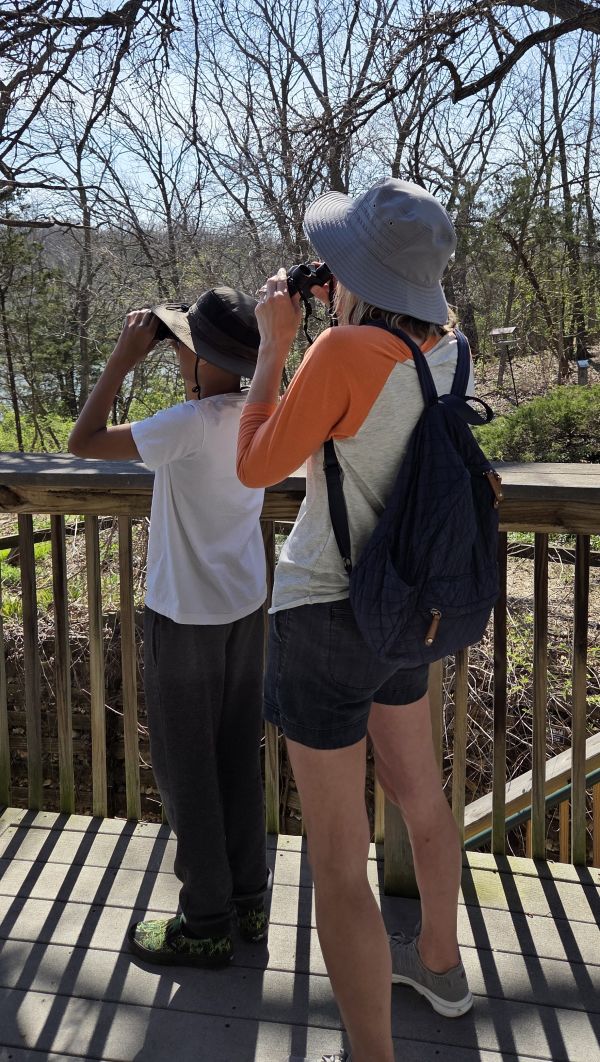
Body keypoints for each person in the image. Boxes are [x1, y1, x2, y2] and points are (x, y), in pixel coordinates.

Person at [236, 178, 474, 1062]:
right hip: (407, 609)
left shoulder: (338, 352)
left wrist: (274, 347)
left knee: (337, 861)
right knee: (422, 800)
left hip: (329, 614)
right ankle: (441, 967)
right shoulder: (453, 352)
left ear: (359, 270)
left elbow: (258, 467)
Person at [68, 288, 270, 967]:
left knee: (187, 769)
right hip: (247, 609)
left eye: (182, 340)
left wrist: (123, 361)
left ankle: (205, 920)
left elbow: (83, 441)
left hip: (185, 616)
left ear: (199, 356)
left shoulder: (187, 422)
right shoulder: (260, 412)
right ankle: (248, 900)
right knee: (238, 755)